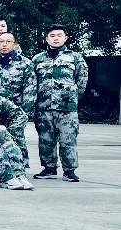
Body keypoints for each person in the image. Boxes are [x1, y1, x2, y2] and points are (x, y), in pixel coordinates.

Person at [31, 24, 88, 182]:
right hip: (43, 107)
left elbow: (81, 81)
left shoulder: (75, 58)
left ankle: (69, 170)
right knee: (45, 139)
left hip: (67, 108)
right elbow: (32, 82)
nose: (56, 38)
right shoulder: (37, 59)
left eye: (59, 35)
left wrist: (71, 98)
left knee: (68, 139)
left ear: (65, 38)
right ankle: (49, 168)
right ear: (47, 38)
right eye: (52, 36)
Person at [0, 32, 37, 114]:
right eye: (1, 42)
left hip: (16, 111)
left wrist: (24, 115)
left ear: (14, 44)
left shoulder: (25, 64)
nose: (4, 44)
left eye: (8, 41)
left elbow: (30, 92)